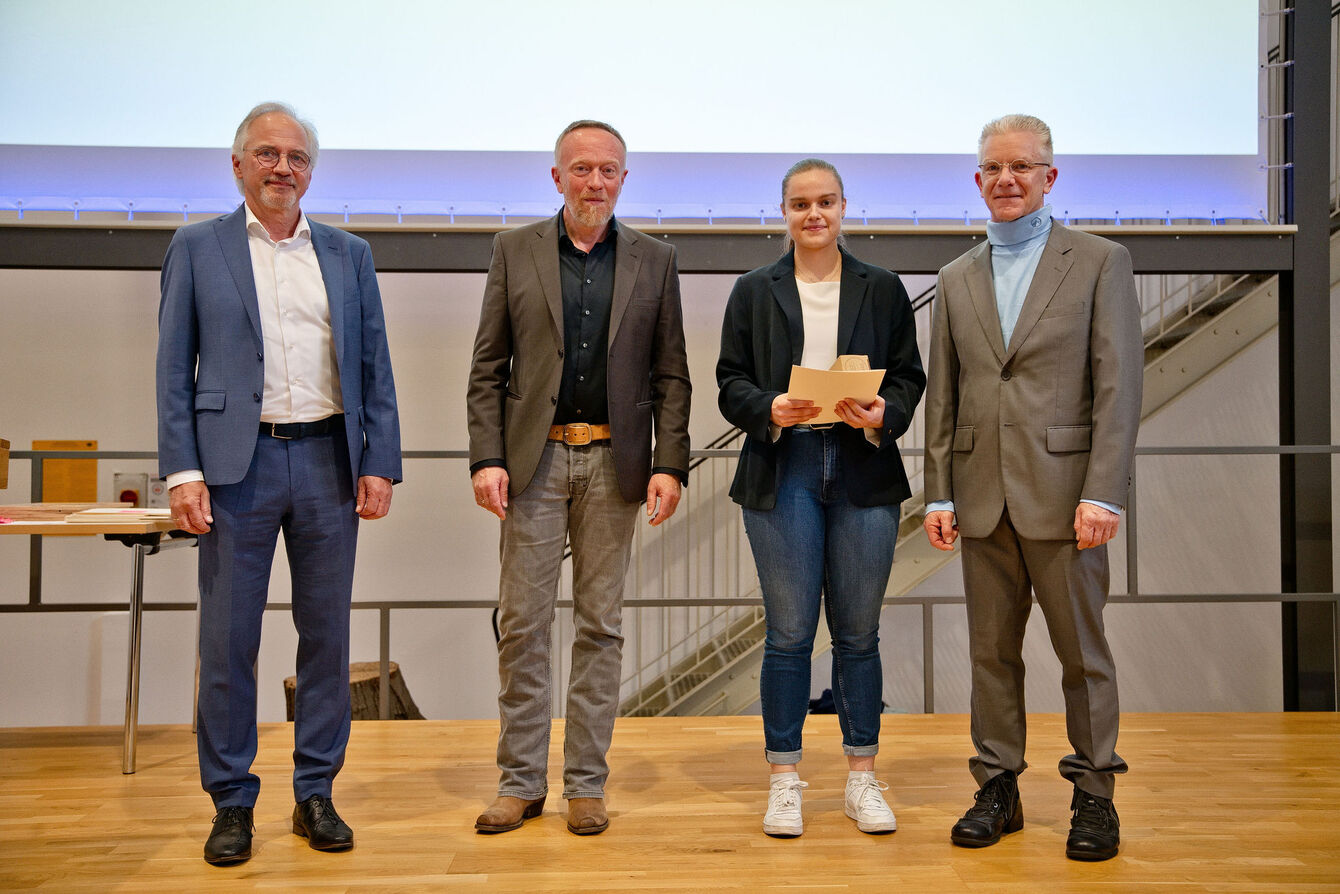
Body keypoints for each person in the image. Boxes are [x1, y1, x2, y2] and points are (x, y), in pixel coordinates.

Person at [156, 101, 401, 866]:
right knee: (228, 642)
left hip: (328, 461)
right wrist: (182, 470)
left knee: (325, 640)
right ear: (238, 165)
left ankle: (316, 792)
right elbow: (172, 371)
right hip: (237, 469)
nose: (281, 168)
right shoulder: (198, 248)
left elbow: (374, 367)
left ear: (310, 170)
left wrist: (379, 460)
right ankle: (231, 801)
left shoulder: (347, 253)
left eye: (295, 156)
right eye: (266, 154)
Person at [923, 114, 1142, 862]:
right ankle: (998, 787)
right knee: (990, 655)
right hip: (981, 499)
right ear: (978, 181)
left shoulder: (1100, 262)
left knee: (1083, 656)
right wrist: (939, 493)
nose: (1007, 179)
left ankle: (1095, 794)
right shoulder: (955, 278)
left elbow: (1117, 386)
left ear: (1051, 177)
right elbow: (944, 397)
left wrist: (1104, 491)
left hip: (1066, 497)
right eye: (993, 168)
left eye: (1023, 167)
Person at [465, 119, 691, 836]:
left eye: (609, 170)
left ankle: (586, 785)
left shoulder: (656, 259)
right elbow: (487, 369)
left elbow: (672, 374)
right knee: (523, 626)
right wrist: (486, 456)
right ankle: (521, 781)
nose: (596, 182)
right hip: (533, 464)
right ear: (556, 177)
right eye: (582, 169)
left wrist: (669, 463)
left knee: (601, 627)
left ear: (624, 179)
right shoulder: (513, 249)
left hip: (616, 467)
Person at [716, 158, 925, 838]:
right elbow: (729, 381)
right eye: (801, 203)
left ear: (843, 208)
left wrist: (883, 415)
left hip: (863, 464)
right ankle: (784, 780)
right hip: (786, 466)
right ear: (784, 213)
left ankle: (861, 779)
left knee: (859, 635)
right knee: (789, 635)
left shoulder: (884, 288)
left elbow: (909, 379)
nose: (814, 214)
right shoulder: (753, 290)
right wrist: (769, 406)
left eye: (826, 202)